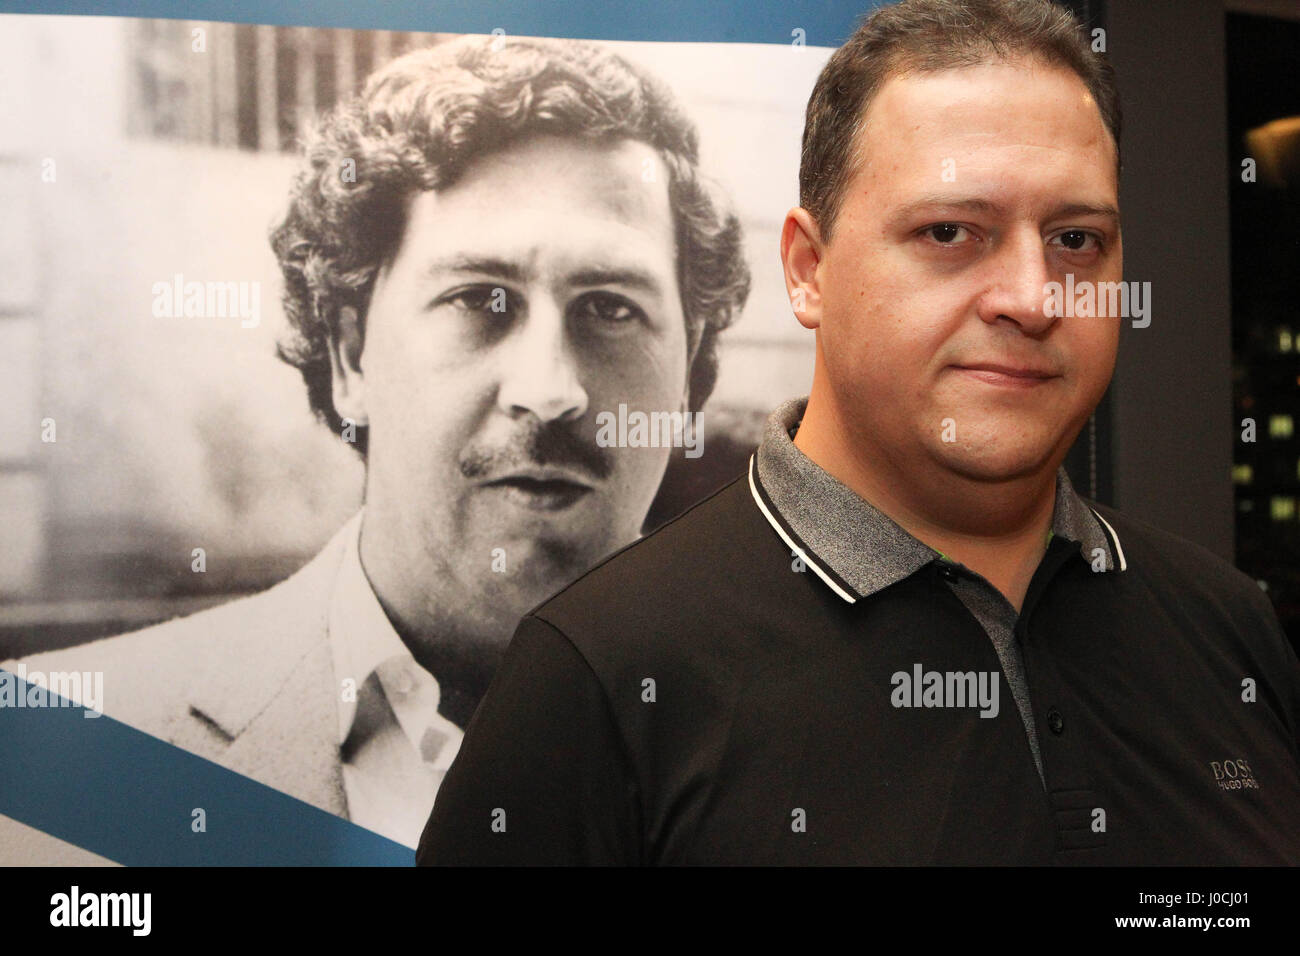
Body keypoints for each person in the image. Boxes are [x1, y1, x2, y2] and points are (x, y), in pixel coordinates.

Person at [417, 0, 1300, 865]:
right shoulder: (596, 684)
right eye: (951, 231)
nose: (1034, 297)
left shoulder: (1229, 630)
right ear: (809, 270)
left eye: (1075, 240)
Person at [4, 35, 749, 850]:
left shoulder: (821, 745)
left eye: (610, 307)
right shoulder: (62, 753)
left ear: (689, 365)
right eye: (480, 300)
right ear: (350, 354)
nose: (550, 388)